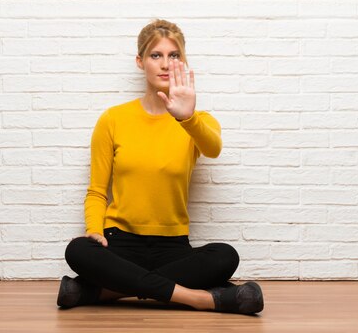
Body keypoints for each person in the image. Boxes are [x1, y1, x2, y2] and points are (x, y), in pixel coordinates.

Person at [57, 19, 264, 315]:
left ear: (183, 61)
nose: (165, 64)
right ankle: (201, 299)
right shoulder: (113, 119)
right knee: (77, 250)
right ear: (140, 62)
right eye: (156, 55)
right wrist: (93, 230)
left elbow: (213, 149)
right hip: (120, 245)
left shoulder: (195, 120)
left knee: (225, 256)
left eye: (174, 55)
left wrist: (187, 118)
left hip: (173, 248)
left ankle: (104, 292)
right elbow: (97, 191)